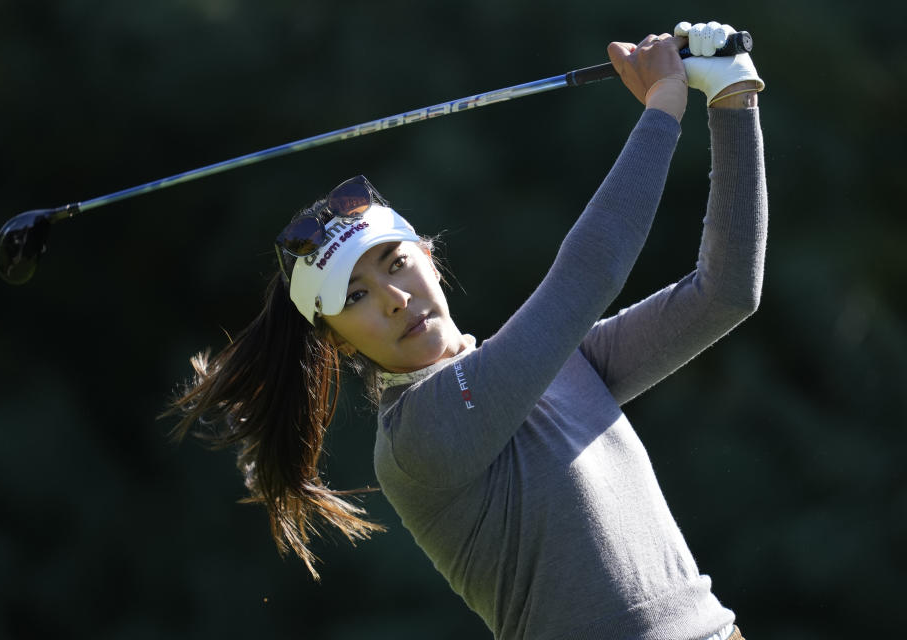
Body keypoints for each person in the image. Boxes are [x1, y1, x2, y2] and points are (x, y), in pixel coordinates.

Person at [168, 19, 767, 640]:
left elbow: (725, 295)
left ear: (428, 255)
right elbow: (586, 279)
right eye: (356, 296)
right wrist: (664, 106)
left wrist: (733, 101)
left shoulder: (562, 362)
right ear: (338, 341)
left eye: (397, 263)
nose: (395, 299)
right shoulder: (417, 437)